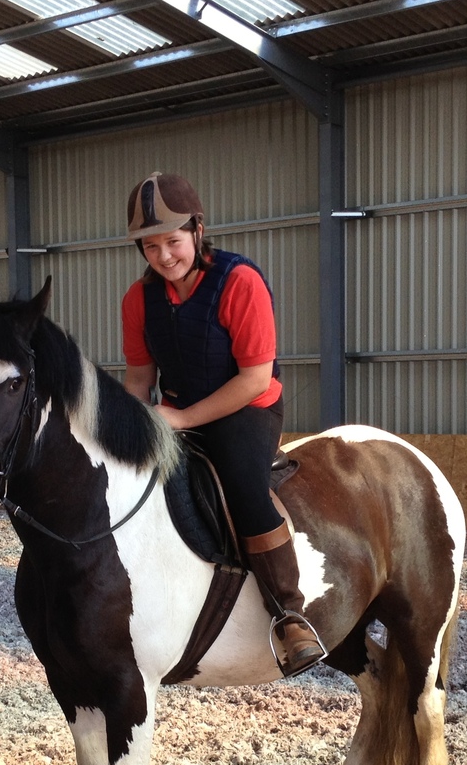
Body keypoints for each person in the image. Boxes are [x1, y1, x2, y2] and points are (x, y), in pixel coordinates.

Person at [121, 171, 325, 676]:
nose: (164, 256)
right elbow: (139, 378)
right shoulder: (138, 300)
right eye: (150, 246)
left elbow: (255, 378)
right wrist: (129, 428)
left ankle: (289, 614)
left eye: (172, 241)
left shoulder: (240, 282)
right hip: (174, 411)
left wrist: (182, 418)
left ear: (197, 229)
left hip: (246, 408)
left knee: (243, 488)